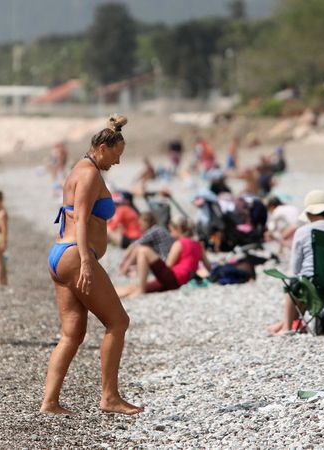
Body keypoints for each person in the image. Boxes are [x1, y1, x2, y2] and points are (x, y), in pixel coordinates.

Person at [42, 115, 143, 415]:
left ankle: (50, 402)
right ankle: (109, 397)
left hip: (61, 254)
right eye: (116, 155)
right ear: (101, 147)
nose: (118, 162)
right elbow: (82, 220)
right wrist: (86, 261)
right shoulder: (88, 174)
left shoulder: (79, 170)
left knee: (72, 334)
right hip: (76, 255)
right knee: (118, 322)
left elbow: (70, 217)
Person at [267, 190, 324, 335]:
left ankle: (286, 327)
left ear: (310, 213)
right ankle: (282, 324)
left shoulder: (303, 231)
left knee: (296, 284)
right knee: (305, 282)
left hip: (314, 285)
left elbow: (295, 267)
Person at [115, 216, 212, 299]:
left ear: (177, 229)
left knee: (143, 250)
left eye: (171, 230)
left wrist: (149, 266)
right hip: (183, 281)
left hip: (174, 279)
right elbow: (208, 267)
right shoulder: (199, 245)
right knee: (134, 287)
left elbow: (168, 265)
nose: (170, 233)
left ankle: (140, 290)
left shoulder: (179, 244)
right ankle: (115, 298)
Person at [118, 211, 175, 276]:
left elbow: (133, 245)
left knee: (138, 248)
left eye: (141, 224)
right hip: (166, 259)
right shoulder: (159, 228)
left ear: (146, 223)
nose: (140, 227)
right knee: (141, 250)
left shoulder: (153, 231)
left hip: (164, 261)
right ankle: (128, 268)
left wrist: (123, 260)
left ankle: (124, 269)